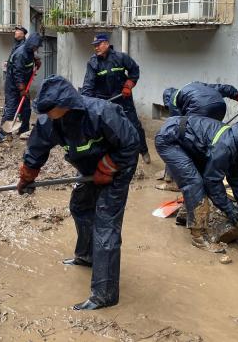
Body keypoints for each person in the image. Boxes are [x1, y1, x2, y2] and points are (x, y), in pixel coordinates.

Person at [18, 75, 139, 310]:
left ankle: (105, 294)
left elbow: (131, 143)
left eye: (50, 109)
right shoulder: (49, 122)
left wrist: (109, 167)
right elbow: (37, 148)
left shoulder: (102, 113)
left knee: (105, 224)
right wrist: (27, 175)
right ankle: (87, 256)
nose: (46, 114)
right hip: (89, 169)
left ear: (65, 104)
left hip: (117, 167)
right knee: (80, 206)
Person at [155, 115, 238, 249]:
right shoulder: (225, 148)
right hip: (170, 139)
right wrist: (230, 210)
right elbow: (212, 183)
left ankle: (185, 216)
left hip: (190, 141)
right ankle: (198, 237)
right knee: (195, 182)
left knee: (199, 178)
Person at [81, 34, 150, 164]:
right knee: (106, 129)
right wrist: (87, 104)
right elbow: (88, 85)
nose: (96, 48)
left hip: (123, 98)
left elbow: (134, 70)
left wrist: (128, 85)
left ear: (106, 43)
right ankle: (111, 157)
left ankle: (144, 151)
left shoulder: (121, 57)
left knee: (134, 126)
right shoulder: (93, 62)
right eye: (94, 46)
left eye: (98, 44)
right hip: (104, 101)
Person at [0, 33, 42, 142]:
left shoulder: (29, 51)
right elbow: (18, 73)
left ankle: (23, 131)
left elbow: (31, 58)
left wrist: (36, 60)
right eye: (35, 46)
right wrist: (22, 89)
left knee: (26, 109)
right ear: (31, 44)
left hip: (24, 86)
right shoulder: (21, 54)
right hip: (13, 86)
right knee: (11, 110)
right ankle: (4, 134)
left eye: (37, 47)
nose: (36, 49)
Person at [163, 82, 238, 120]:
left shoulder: (172, 100)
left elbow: (177, 123)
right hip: (220, 105)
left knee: (190, 132)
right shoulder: (194, 85)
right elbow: (224, 89)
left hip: (200, 108)